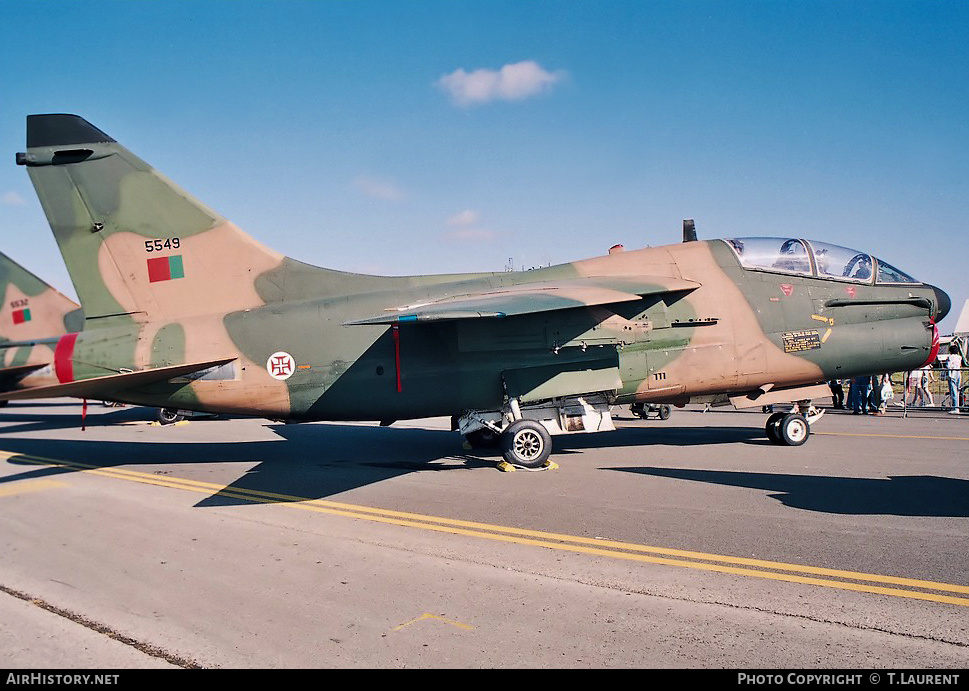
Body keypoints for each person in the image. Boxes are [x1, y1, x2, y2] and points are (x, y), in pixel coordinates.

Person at [946, 344, 963, 414]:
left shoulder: (950, 357)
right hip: (958, 373)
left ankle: (955, 408)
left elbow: (948, 366)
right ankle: (957, 406)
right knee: (957, 390)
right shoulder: (959, 357)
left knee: (953, 391)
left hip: (952, 374)